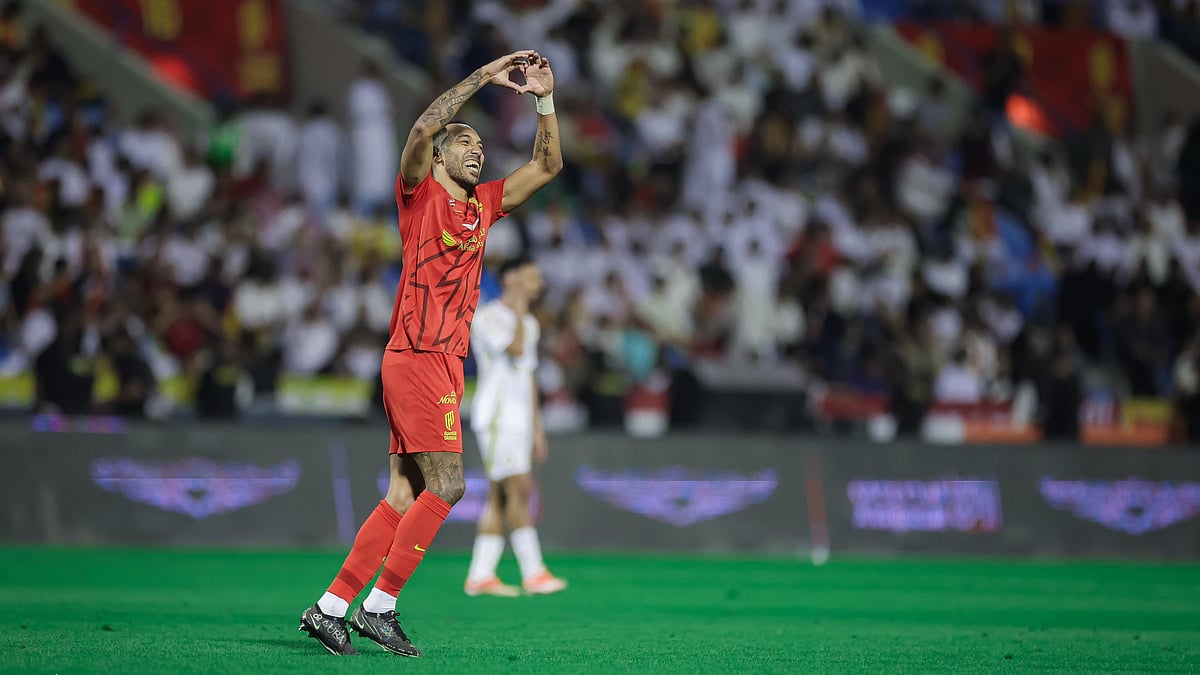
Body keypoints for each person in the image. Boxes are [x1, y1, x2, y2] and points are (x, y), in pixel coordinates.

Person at [299, 49, 563, 658]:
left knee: (403, 495)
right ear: (440, 156)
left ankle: (331, 608)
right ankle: (380, 605)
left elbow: (547, 164)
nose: (476, 150)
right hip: (417, 353)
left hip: (441, 361)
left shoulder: (484, 205)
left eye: (480, 144)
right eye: (463, 142)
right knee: (447, 486)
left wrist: (544, 99)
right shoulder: (418, 195)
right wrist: (485, 77)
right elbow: (422, 126)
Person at [463, 257, 567, 597]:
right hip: (496, 417)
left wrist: (537, 428)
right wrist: (520, 307)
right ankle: (533, 572)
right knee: (520, 488)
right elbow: (515, 349)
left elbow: (528, 375)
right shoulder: (487, 317)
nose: (538, 283)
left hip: (519, 420)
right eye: (531, 276)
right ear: (510, 277)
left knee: (499, 494)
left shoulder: (531, 323)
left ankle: (480, 575)